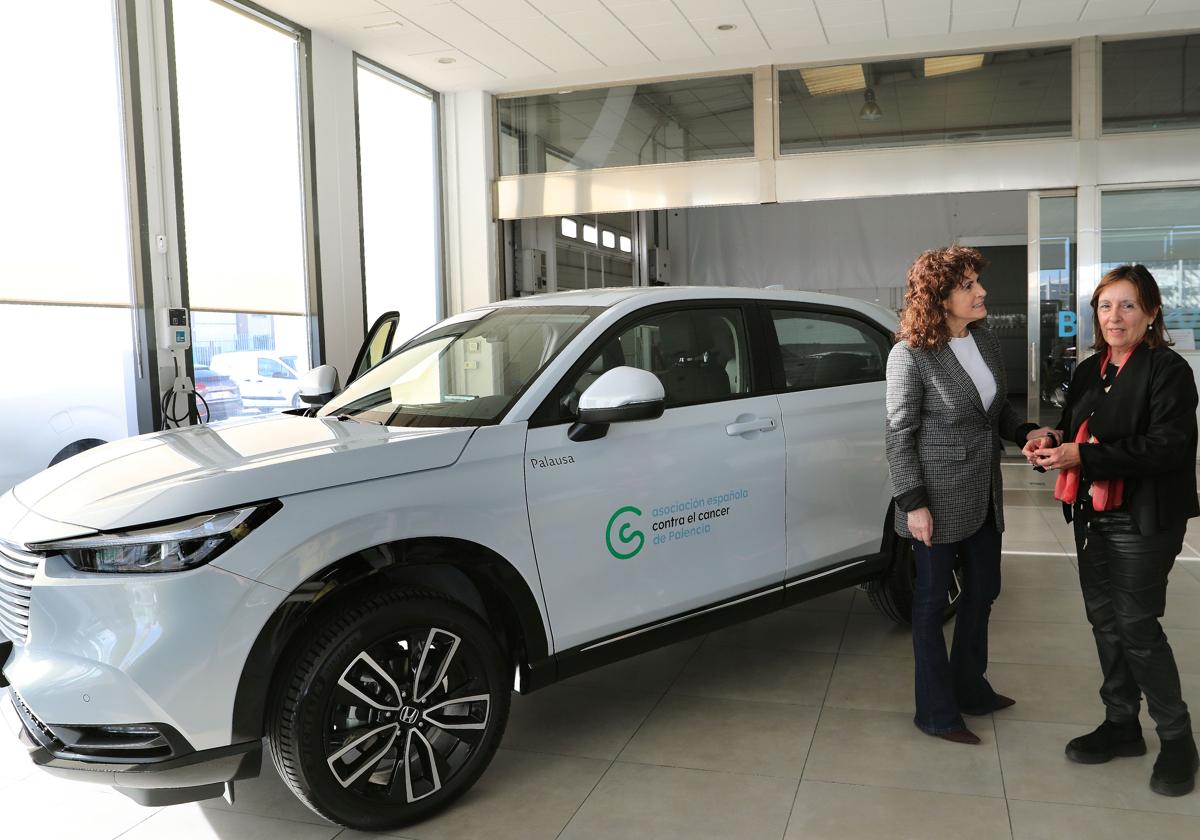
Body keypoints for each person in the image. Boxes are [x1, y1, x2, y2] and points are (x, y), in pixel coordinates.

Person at [1023, 264, 1200, 796]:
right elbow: (1079, 425)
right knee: (1105, 623)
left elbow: (1168, 447)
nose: (1114, 316)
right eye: (1105, 306)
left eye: (1127, 305)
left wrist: (1086, 455)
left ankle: (1177, 740)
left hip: (1143, 517)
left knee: (1138, 627)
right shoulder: (1087, 370)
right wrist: (1052, 441)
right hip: (1092, 514)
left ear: (1150, 313)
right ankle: (1122, 724)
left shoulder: (1167, 370)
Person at [886, 246, 1055, 744]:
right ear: (939, 297)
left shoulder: (984, 339)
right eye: (968, 285)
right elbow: (898, 434)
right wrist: (913, 503)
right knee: (932, 603)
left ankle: (970, 688)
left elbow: (994, 411)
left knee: (983, 590)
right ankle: (935, 711)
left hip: (984, 492)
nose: (981, 292)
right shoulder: (910, 354)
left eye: (977, 282)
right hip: (933, 501)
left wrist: (1024, 430)